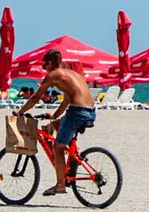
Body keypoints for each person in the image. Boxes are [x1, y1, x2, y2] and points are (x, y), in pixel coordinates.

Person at [14, 49, 97, 197]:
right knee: (55, 126)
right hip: (90, 111)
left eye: (44, 66)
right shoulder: (73, 74)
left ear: (50, 64)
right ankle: (74, 159)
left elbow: (35, 98)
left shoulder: (54, 75)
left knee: (57, 147)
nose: (44, 69)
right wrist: (55, 116)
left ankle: (60, 185)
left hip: (77, 112)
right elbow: (66, 100)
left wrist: (20, 112)